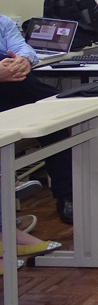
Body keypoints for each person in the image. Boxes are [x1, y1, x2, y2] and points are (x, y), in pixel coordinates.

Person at [0, 13, 75, 224]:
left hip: (11, 86)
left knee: (52, 122)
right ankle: (61, 101)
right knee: (49, 109)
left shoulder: (3, 22)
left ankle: (67, 195)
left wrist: (23, 61)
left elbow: (22, 48)